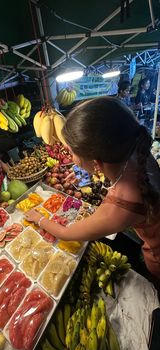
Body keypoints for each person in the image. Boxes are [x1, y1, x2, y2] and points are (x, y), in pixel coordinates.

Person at [25, 97, 160, 290]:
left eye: (72, 153)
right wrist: (83, 172)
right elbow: (114, 174)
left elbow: (67, 233)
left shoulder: (120, 206)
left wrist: (39, 218)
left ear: (96, 161)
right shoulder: (133, 148)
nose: (71, 158)